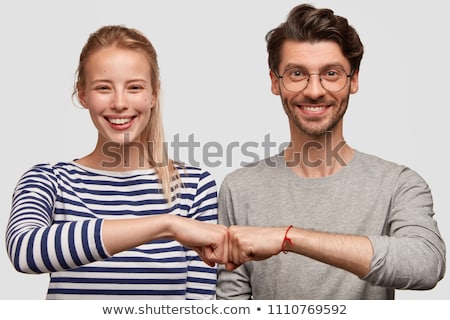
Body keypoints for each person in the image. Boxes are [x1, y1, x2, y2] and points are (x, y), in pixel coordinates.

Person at [216, 4, 446, 299]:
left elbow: (426, 265)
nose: (314, 90)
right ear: (275, 82)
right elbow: (231, 306)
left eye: (331, 73)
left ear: (354, 80)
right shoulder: (239, 188)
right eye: (297, 73)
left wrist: (288, 238)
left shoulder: (398, 184)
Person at [5, 25, 228, 300]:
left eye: (134, 87)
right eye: (103, 88)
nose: (120, 103)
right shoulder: (49, 180)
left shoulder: (194, 187)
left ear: (154, 95)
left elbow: (199, 305)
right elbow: (25, 251)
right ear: (83, 94)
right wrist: (167, 225)